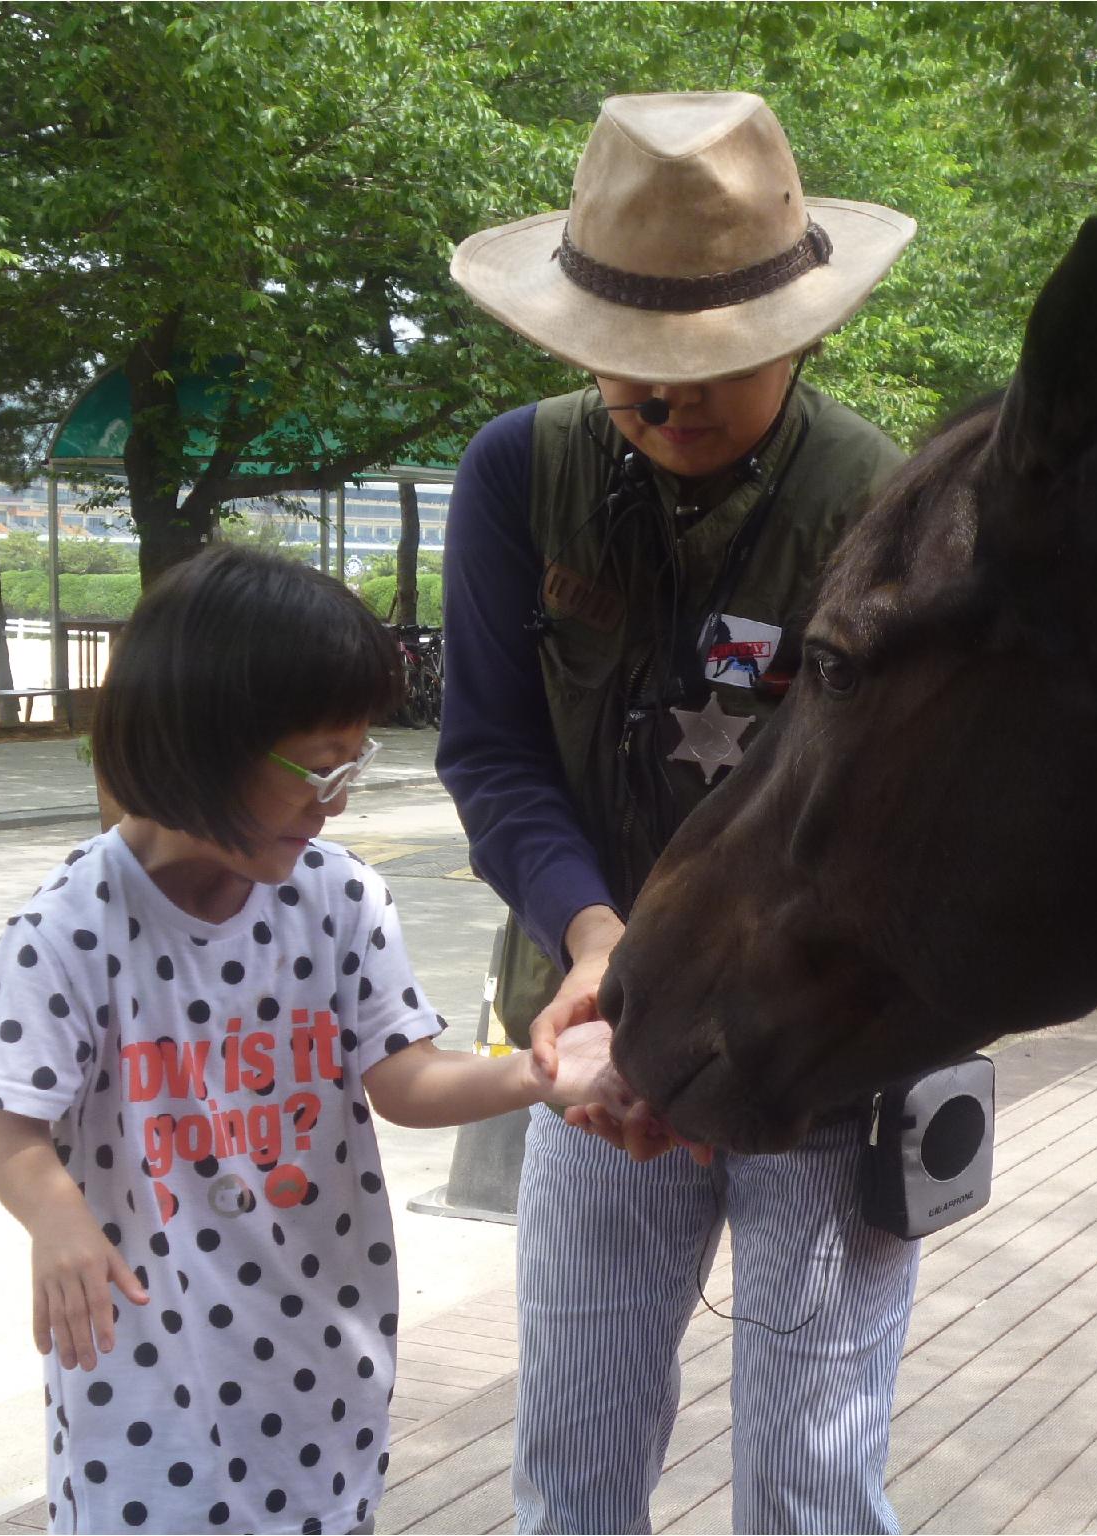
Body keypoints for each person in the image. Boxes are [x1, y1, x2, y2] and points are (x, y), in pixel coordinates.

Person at [441, 91, 920, 1533]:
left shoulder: (877, 508)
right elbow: (493, 754)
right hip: (590, 1050)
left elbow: (881, 827)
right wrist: (599, 950)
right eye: (627, 368)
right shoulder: (516, 474)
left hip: (818, 1054)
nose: (663, 403)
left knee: (811, 1481)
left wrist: (718, 999)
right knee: (570, 1473)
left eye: (706, 364)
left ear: (803, 327)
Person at [0, 545, 629, 1536]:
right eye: (318, 767)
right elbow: (11, 1125)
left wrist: (535, 1077)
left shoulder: (338, 897)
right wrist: (57, 1218)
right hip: (145, 1390)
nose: (340, 798)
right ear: (198, 741)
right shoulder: (68, 932)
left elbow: (401, 1080)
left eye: (353, 764)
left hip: (320, 1369)